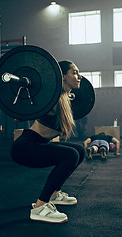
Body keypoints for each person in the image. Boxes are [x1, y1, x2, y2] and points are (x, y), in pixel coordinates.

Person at [11, 60, 85, 223]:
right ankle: (39, 207)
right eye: (74, 72)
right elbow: (29, 103)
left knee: (80, 151)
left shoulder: (65, 98)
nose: (79, 76)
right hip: (25, 146)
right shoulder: (50, 98)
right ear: (63, 77)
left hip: (39, 143)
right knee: (70, 155)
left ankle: (54, 193)